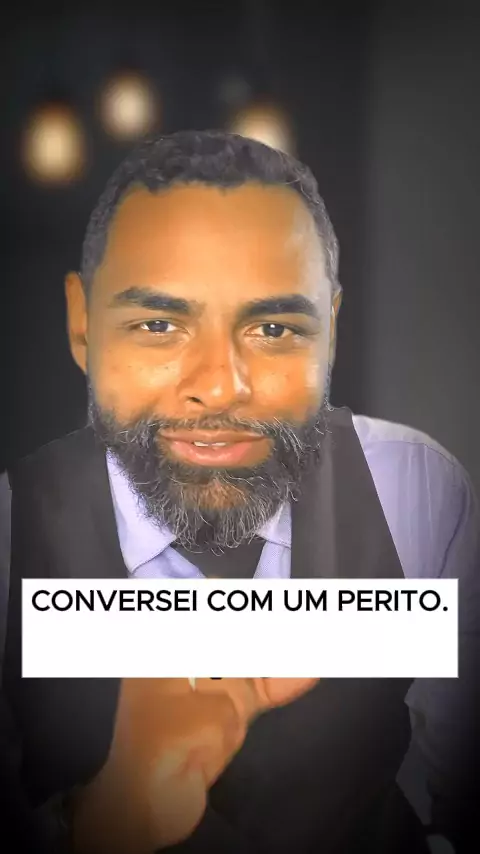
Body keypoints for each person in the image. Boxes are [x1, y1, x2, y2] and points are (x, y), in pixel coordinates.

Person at [2, 130, 479, 853]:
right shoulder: (9, 538)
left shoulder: (416, 494)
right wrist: (103, 825)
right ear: (82, 325)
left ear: (330, 331)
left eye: (274, 328)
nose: (221, 387)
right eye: (158, 325)